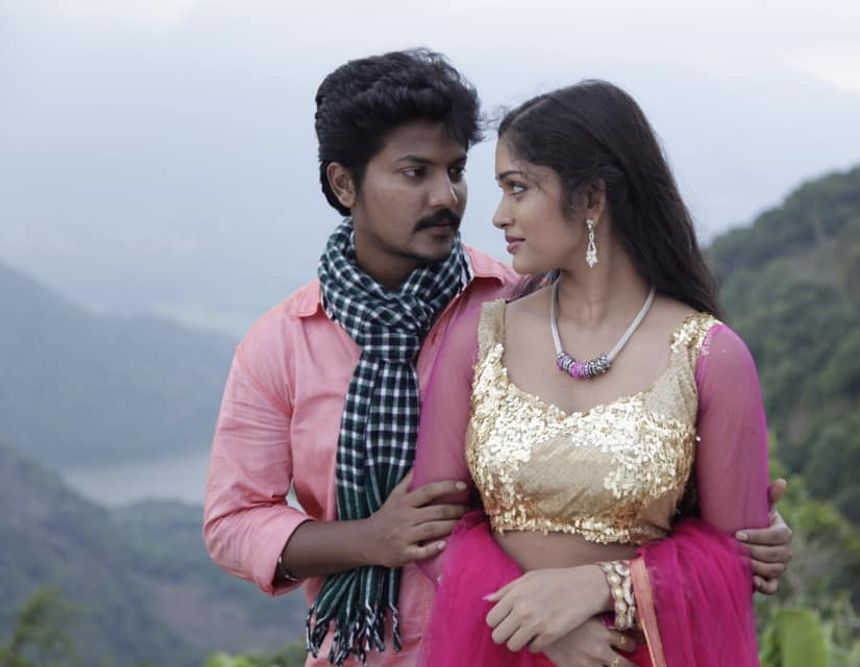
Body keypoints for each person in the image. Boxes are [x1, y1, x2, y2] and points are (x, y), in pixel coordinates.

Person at [203, 50, 792, 667]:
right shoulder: (281, 346)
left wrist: (742, 538)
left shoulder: (514, 303)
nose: (448, 196)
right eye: (415, 173)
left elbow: (627, 468)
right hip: (371, 652)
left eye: (456, 170)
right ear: (345, 184)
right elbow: (233, 522)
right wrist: (369, 539)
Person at [411, 80, 774, 666]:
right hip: (498, 645)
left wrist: (604, 587)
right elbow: (431, 529)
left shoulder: (709, 356)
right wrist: (542, 624)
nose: (499, 215)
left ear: (591, 198)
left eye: (518, 188)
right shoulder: (479, 339)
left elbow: (736, 560)